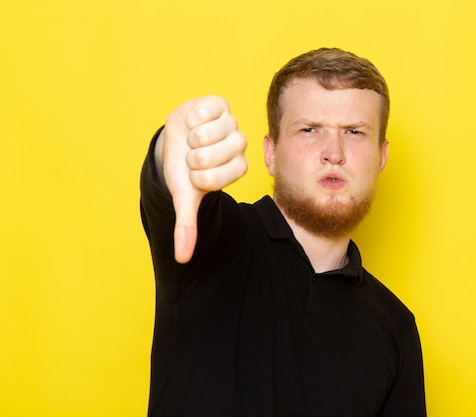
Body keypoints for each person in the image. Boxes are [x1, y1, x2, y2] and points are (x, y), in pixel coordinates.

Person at [140, 47, 427, 417]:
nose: (334, 153)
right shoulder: (218, 244)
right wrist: (174, 150)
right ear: (271, 153)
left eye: (354, 132)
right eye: (310, 130)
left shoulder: (395, 327)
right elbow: (172, 190)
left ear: (381, 157)